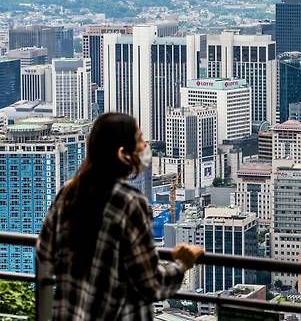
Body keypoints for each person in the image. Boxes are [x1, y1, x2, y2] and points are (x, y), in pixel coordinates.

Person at [36, 112, 204, 320]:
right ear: (122, 153)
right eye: (140, 141)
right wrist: (181, 264)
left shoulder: (69, 192)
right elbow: (151, 285)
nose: (145, 146)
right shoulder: (130, 202)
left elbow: (45, 254)